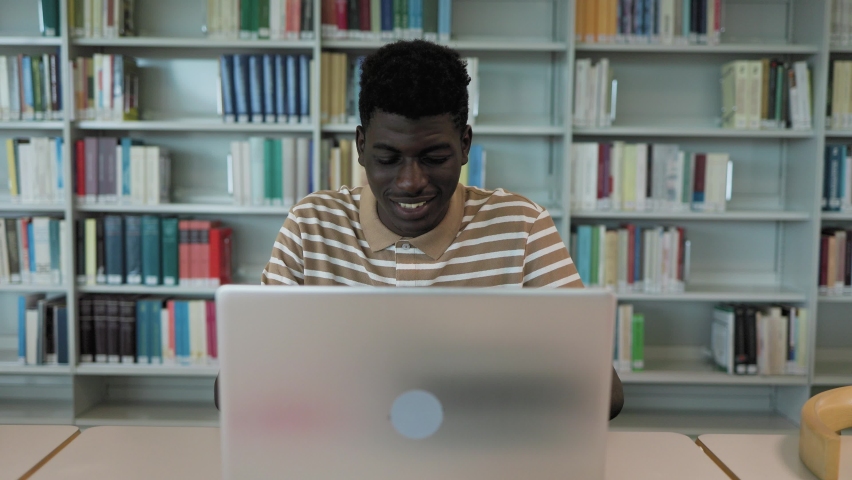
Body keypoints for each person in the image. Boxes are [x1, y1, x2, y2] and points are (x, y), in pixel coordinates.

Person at [216, 40, 623, 419]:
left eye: (433, 157)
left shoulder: (522, 225)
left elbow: (606, 393)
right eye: (388, 157)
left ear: (465, 145)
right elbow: (233, 386)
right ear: (361, 147)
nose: (411, 181)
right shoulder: (311, 225)